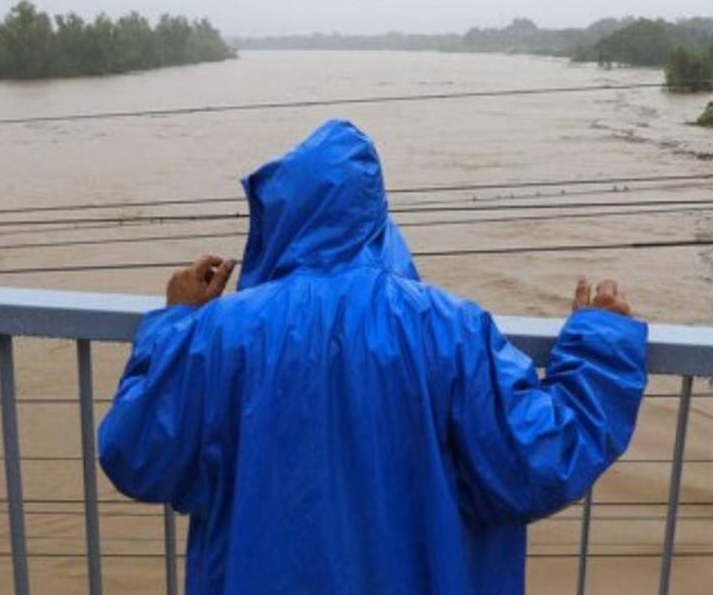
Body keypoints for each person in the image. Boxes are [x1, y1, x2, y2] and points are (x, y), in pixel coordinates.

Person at [98, 119, 648, 595]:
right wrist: (599, 344)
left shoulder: (220, 334)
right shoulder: (448, 328)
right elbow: (538, 460)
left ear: (276, 220)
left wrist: (175, 323)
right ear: (375, 217)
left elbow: (136, 452)